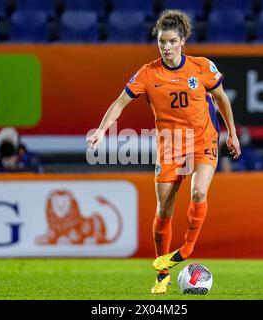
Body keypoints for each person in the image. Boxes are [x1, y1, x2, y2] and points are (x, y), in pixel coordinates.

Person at [87, 10, 241, 294]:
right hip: (170, 146)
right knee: (163, 212)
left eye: (171, 41)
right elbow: (120, 103)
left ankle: (187, 249)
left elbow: (221, 99)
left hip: (202, 140)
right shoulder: (148, 73)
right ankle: (163, 272)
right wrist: (100, 130)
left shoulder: (202, 67)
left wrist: (231, 133)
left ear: (183, 40)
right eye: (161, 42)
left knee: (198, 193)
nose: (166, 47)